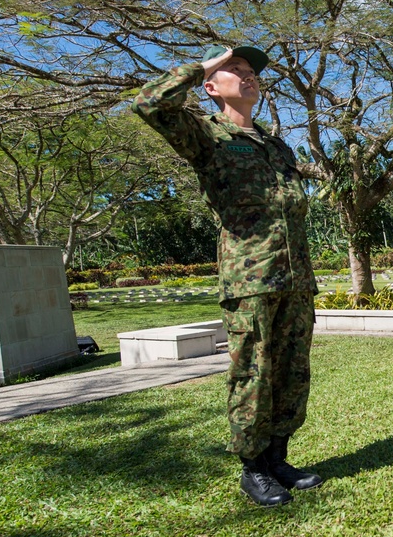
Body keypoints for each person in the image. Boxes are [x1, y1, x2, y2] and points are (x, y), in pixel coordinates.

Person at [132, 45, 322, 507]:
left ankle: (278, 458)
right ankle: (252, 468)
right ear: (213, 86)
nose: (248, 77)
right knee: (253, 374)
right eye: (236, 71)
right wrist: (209, 62)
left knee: (292, 374)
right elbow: (148, 103)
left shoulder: (277, 145)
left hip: (295, 279)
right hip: (250, 278)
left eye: (251, 72)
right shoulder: (205, 135)